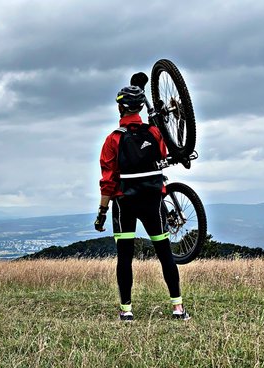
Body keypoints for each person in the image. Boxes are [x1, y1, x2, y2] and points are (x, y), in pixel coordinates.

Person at [95, 78, 190, 321]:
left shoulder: (112, 139)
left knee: (125, 258)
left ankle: (126, 311)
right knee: (165, 253)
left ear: (120, 108)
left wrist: (102, 212)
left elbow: (108, 181)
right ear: (139, 108)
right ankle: (178, 308)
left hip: (124, 203)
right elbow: (163, 157)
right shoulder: (155, 132)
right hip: (152, 201)